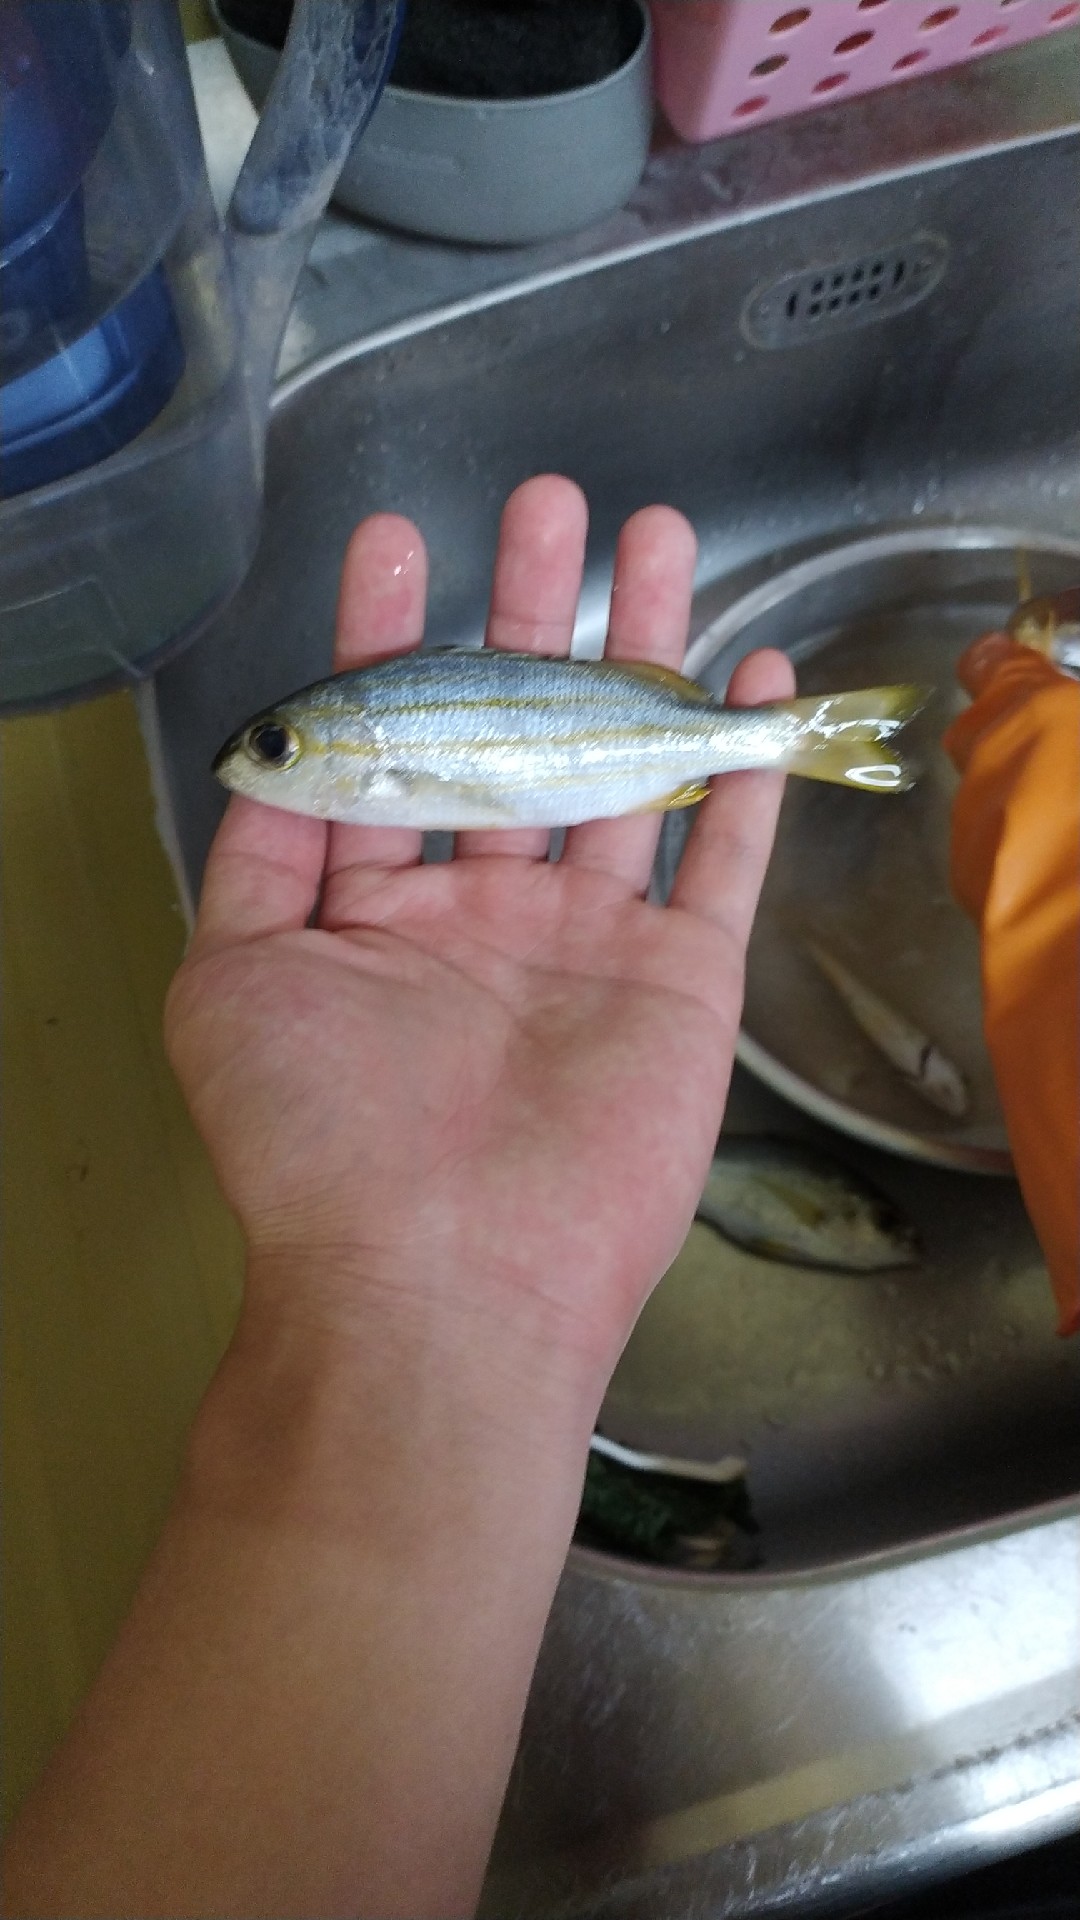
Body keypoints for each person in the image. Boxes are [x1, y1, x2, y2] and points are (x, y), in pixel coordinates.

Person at [3, 477, 1076, 1919]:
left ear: (323, 756)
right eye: (267, 748)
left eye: (273, 749)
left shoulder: (353, 746)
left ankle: (792, 737)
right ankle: (794, 736)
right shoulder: (352, 754)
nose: (254, 766)